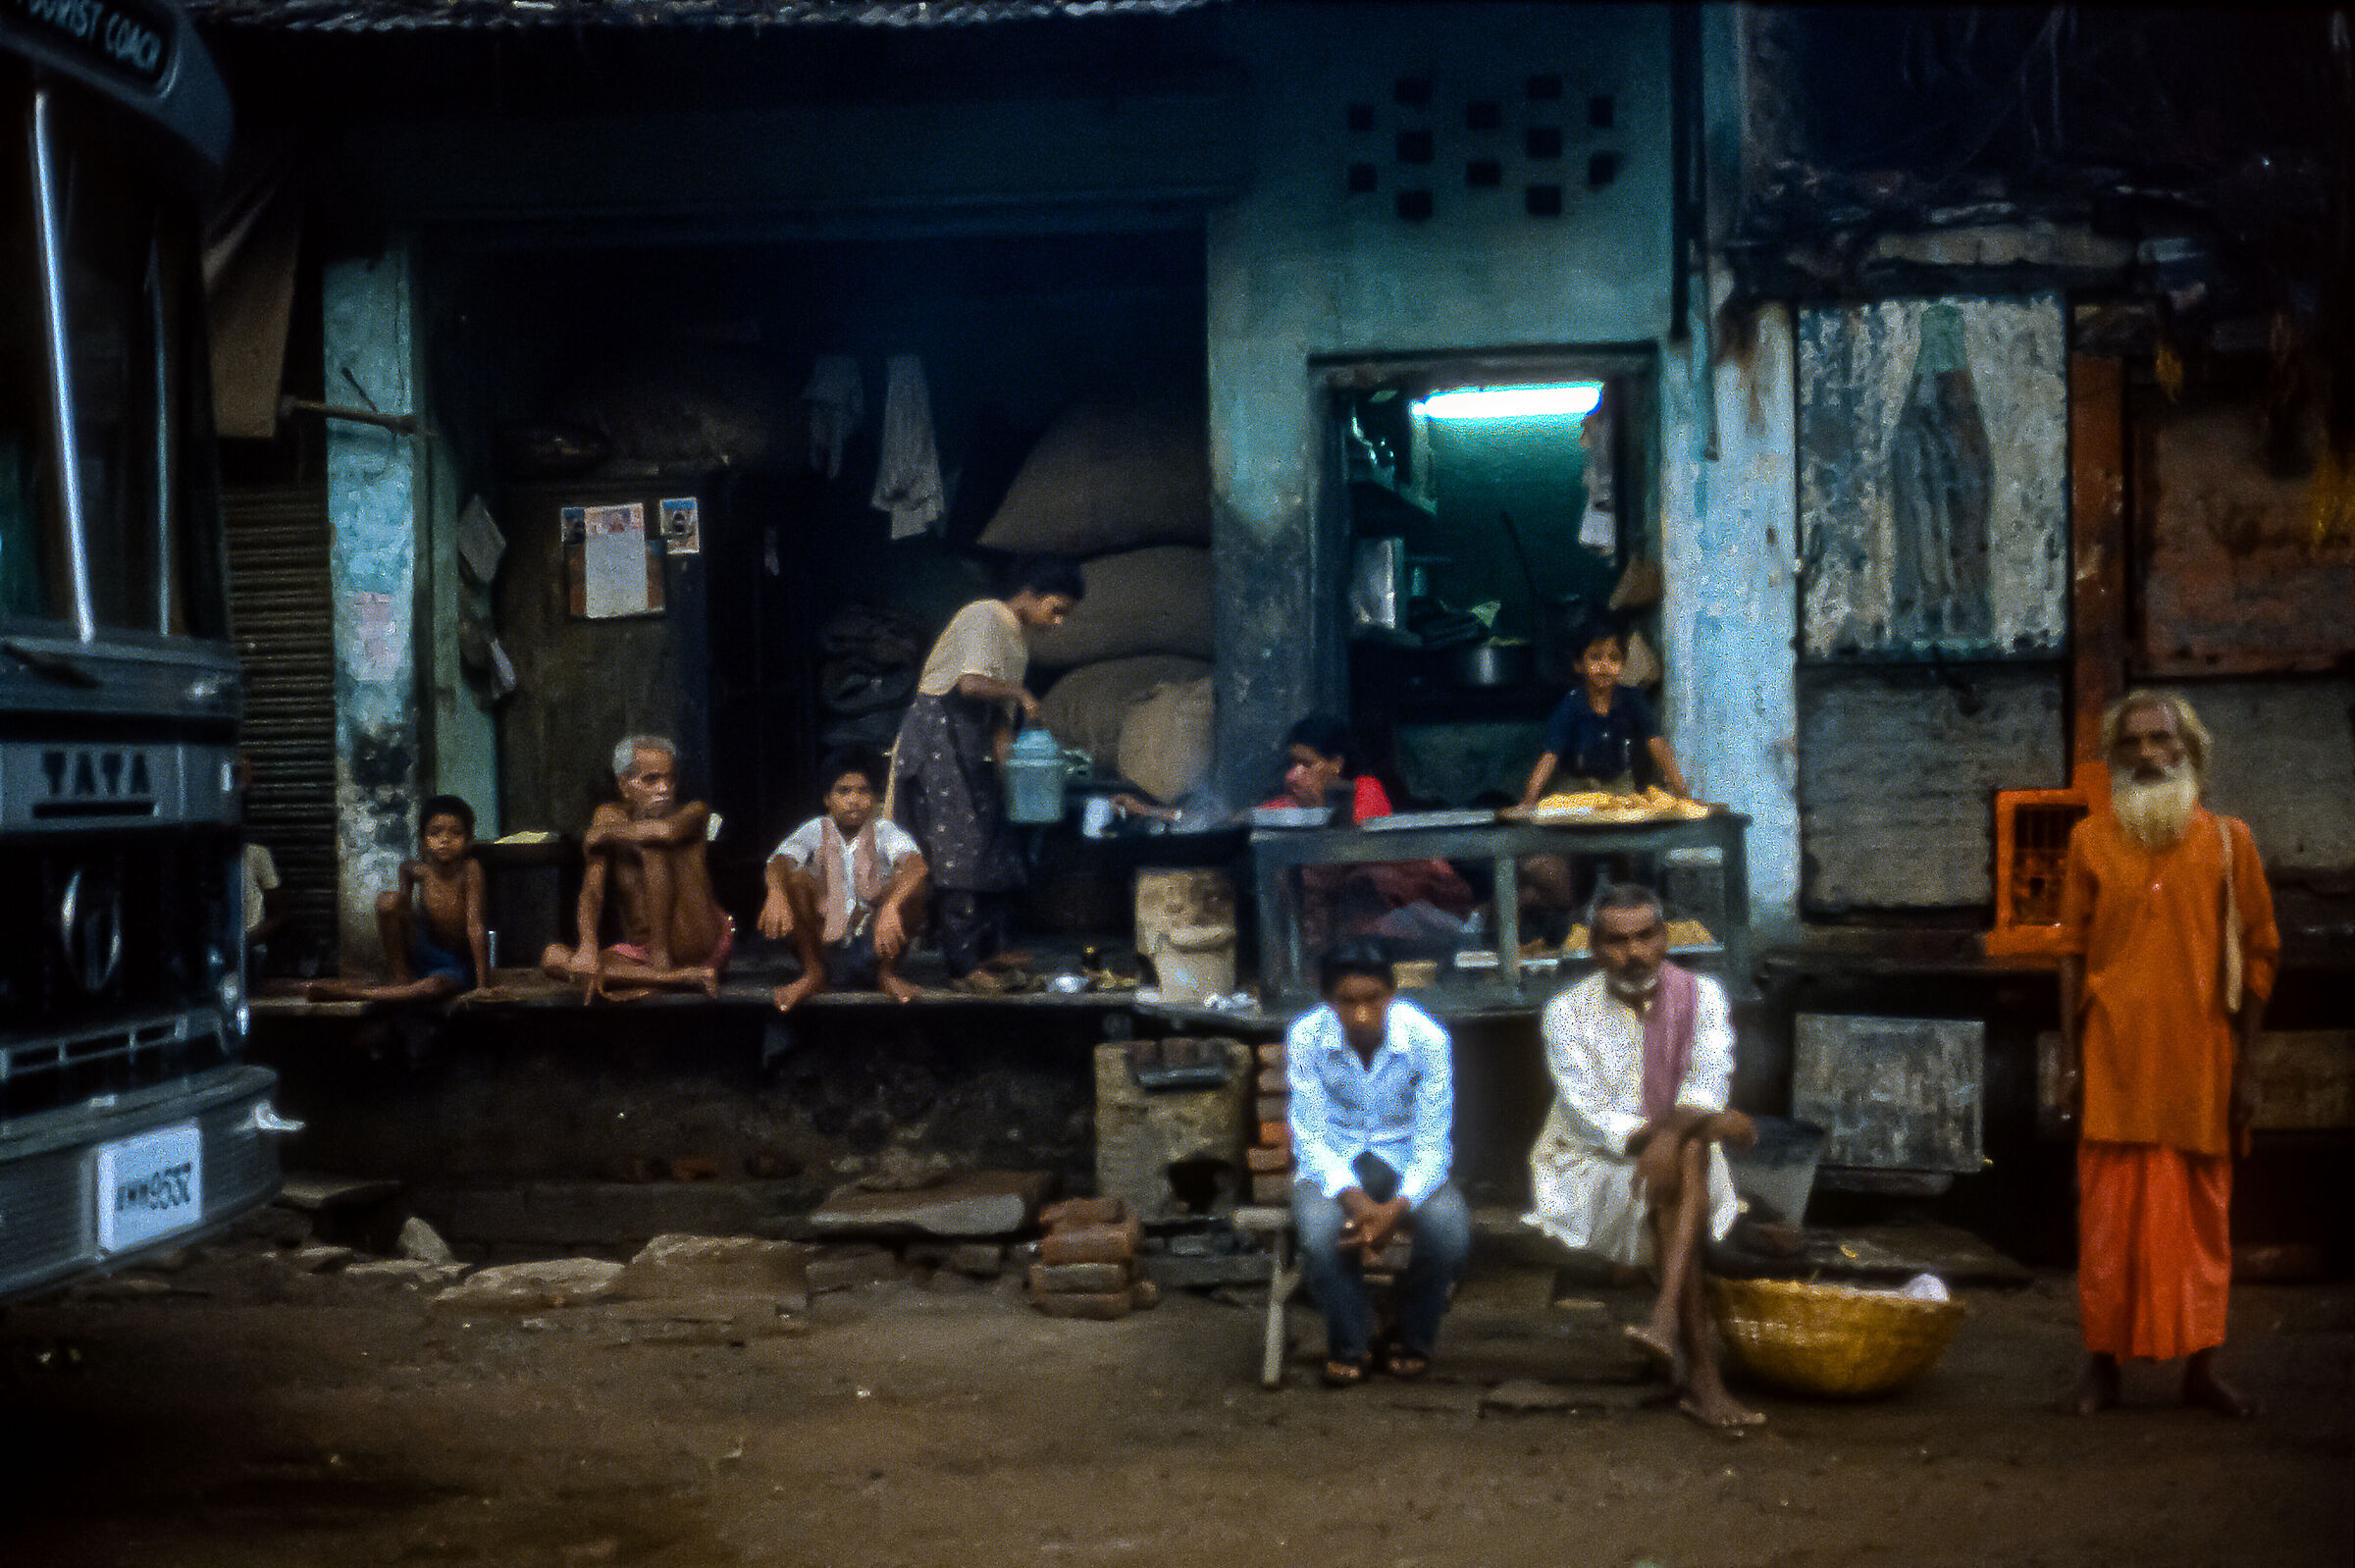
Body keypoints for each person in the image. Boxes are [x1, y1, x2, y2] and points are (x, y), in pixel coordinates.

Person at [2056, 690, 2277, 1418]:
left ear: (2192, 753)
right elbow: (2071, 957)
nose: (2149, 754)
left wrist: (2247, 1068)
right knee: (2107, 1227)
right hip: (2114, 1064)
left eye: (2163, 741)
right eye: (2133, 742)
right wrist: (2069, 1062)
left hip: (2199, 1070)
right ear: (2113, 757)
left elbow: (2261, 954)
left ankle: (2200, 1372)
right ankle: (2102, 1369)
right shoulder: (2089, 841)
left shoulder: (2229, 842)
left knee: (2203, 1227)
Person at [1525, 882, 1762, 1430]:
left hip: (1671, 1158)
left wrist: (1673, 1135)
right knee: (1695, 1150)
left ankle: (1666, 1326)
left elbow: (1709, 1079)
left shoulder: (1702, 996)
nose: (1632, 953)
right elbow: (1591, 1112)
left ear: (1664, 937)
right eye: (1616, 941)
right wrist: (1687, 1129)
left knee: (1688, 1158)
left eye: (1645, 936)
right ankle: (1700, 1374)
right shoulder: (1566, 1012)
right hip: (1588, 1160)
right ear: (1592, 946)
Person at [1286, 939, 1473, 1387]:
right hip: (1334, 1161)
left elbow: (1432, 1143)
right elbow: (1309, 1135)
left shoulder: (1427, 1039)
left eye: (1373, 999)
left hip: (1407, 1159)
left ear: (1392, 995)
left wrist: (1396, 1208)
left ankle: (1410, 1332)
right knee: (1318, 1235)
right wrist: (1357, 1201)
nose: (1363, 1014)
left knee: (1449, 1234)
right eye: (1348, 1002)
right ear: (1329, 1001)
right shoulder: (1306, 1036)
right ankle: (1352, 1341)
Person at [891, 555, 1082, 989]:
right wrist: (1022, 692)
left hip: (973, 741)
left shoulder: (1018, 641)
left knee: (997, 839)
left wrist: (1010, 770)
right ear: (1030, 594)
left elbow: (997, 716)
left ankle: (993, 950)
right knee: (961, 847)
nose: (1057, 622)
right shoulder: (986, 616)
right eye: (1056, 610)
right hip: (939, 735)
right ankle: (962, 966)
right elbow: (971, 685)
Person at [541, 736, 733, 998]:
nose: (664, 788)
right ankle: (677, 979)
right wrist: (587, 945)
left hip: (699, 942)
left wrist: (604, 834)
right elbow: (593, 889)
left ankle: (665, 968)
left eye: (670, 779)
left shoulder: (693, 812)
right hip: (642, 952)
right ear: (624, 785)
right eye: (651, 779)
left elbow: (665, 832)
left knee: (652, 843)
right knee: (553, 957)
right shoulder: (608, 816)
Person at [760, 747, 929, 1010]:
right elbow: (778, 862)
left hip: (875, 946)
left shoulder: (884, 831)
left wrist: (890, 907)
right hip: (825, 945)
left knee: (913, 887)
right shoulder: (815, 829)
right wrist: (776, 894)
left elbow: (916, 866)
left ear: (873, 798)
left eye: (863, 791)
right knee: (796, 880)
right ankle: (813, 973)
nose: (854, 799)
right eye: (844, 791)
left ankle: (886, 974)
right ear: (828, 799)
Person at [306, 796, 496, 1003]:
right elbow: (400, 915)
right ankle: (400, 977)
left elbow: (475, 926)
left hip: (454, 962)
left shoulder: (470, 870)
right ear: (423, 842)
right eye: (435, 833)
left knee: (433, 987)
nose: (445, 839)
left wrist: (482, 986)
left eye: (456, 833)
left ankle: (352, 994)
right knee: (389, 901)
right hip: (423, 950)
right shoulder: (414, 870)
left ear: (468, 841)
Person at [1517, 614, 1689, 806]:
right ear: (1578, 664)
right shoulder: (1571, 704)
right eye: (1595, 657)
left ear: (1623, 663)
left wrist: (1683, 794)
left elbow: (1658, 745)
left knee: (1629, 811)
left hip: (1618, 784)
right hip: (1576, 786)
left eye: (1613, 658)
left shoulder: (1633, 700)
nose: (1605, 665)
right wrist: (1529, 799)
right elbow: (1550, 755)